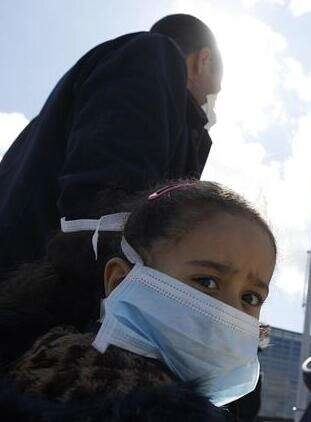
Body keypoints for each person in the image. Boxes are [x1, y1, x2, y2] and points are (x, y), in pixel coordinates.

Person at [0, 181, 274, 420]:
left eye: (250, 297)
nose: (231, 309)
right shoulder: (81, 389)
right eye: (207, 281)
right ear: (121, 281)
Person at [0, 14, 222, 276]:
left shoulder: (55, 117)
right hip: (41, 288)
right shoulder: (151, 56)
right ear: (202, 60)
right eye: (214, 92)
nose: (211, 105)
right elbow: (106, 206)